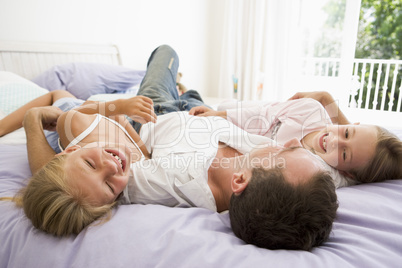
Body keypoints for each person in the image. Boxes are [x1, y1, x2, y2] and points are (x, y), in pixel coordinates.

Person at [0, 45, 338, 250]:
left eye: (283, 153)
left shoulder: (147, 183)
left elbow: (56, 179)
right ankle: (183, 88)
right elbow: (374, 156)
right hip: (200, 113)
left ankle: (170, 86)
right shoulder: (287, 174)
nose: (290, 143)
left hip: (150, 111)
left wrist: (34, 121)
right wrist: (330, 108)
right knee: (175, 69)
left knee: (62, 101)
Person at [189, 91, 402, 185]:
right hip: (221, 117)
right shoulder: (311, 109)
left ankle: (185, 93)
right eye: (346, 132)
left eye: (344, 153)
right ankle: (186, 93)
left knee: (178, 96)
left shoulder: (320, 171)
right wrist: (216, 114)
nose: (335, 141)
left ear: (347, 172)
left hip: (215, 137)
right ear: (348, 124)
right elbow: (260, 115)